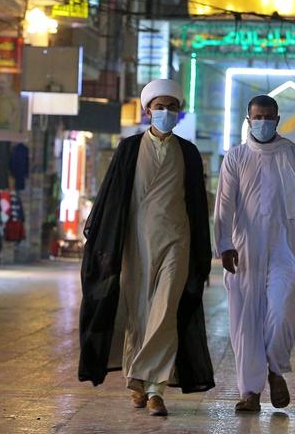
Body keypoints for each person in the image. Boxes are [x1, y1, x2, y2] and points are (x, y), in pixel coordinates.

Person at [78, 79, 214, 416]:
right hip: (134, 242)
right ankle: (136, 381)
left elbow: (197, 205)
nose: (165, 112)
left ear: (179, 113)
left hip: (176, 241)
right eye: (160, 106)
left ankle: (154, 388)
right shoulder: (128, 149)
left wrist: (203, 251)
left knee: (166, 309)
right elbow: (110, 197)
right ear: (147, 110)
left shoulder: (189, 153)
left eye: (172, 107)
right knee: (139, 315)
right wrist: (102, 240)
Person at [215, 95, 295, 413]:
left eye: (268, 117)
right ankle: (250, 391)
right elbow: (224, 205)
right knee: (245, 322)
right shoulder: (235, 157)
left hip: (285, 250)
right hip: (244, 251)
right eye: (257, 117)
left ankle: (276, 369)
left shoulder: (294, 154)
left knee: (281, 311)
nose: (262, 122)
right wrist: (224, 245)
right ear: (248, 120)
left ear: (277, 119)